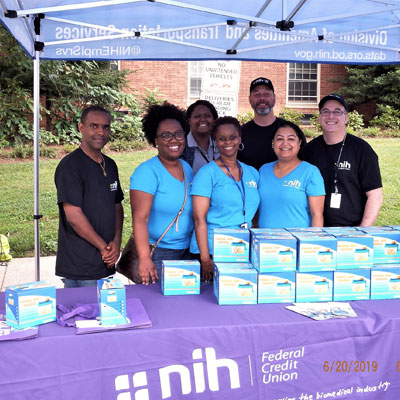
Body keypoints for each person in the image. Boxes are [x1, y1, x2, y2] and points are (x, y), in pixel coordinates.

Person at [55, 106, 124, 288]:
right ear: (81, 128)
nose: (101, 132)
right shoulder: (70, 166)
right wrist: (103, 248)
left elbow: (116, 205)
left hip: (105, 261)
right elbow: (74, 216)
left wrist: (116, 242)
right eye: (94, 126)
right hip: (81, 264)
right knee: (85, 314)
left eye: (106, 127)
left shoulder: (110, 165)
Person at [130, 102, 194, 285]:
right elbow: (140, 219)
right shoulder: (147, 172)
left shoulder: (187, 168)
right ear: (155, 140)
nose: (174, 140)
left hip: (187, 251)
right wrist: (144, 259)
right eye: (165, 135)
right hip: (158, 254)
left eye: (178, 134)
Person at [191, 116, 260, 281]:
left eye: (232, 137)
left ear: (239, 139)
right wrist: (205, 258)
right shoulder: (207, 173)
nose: (227, 142)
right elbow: (199, 219)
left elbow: (254, 215)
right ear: (215, 141)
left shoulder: (252, 172)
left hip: (241, 248)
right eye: (221, 138)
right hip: (213, 250)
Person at [303, 94, 383, 227]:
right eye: (325, 112)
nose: (331, 116)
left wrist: (362, 231)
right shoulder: (309, 150)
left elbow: (375, 196)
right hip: (315, 228)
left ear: (346, 117)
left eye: (337, 112)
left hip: (351, 229)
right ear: (319, 117)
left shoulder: (362, 150)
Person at [258, 120, 325, 228]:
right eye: (279, 139)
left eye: (291, 139)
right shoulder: (263, 170)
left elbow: (317, 215)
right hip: (264, 240)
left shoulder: (310, 172)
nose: (285, 143)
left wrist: (312, 242)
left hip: (297, 241)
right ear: (273, 143)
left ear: (299, 143)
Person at [237, 77, 306, 170]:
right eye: (256, 94)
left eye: (267, 94)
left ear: (274, 98)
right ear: (250, 99)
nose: (262, 98)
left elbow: (303, 164)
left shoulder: (290, 131)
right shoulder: (240, 133)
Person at [180, 99, 219, 174]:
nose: (203, 119)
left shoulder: (221, 144)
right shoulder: (180, 147)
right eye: (197, 116)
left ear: (214, 120)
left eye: (207, 116)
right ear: (189, 120)